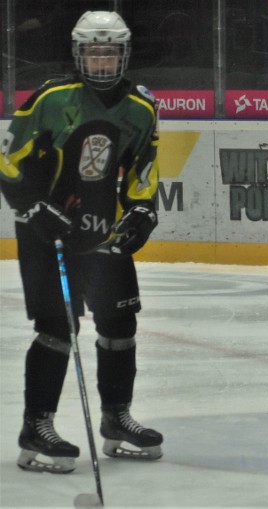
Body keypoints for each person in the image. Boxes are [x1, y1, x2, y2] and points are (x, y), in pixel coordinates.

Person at [0, 11, 163, 474]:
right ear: (78, 54)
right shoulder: (50, 99)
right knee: (57, 328)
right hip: (47, 233)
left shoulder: (142, 107)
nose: (102, 61)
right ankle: (38, 425)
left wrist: (142, 212)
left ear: (124, 55)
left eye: (110, 52)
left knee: (120, 327)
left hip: (102, 233)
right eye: (94, 51)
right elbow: (7, 162)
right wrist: (34, 208)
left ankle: (116, 418)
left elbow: (142, 173)